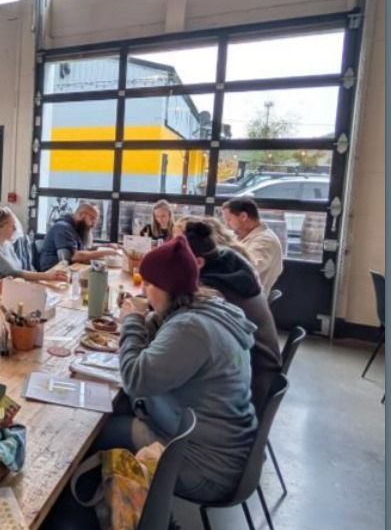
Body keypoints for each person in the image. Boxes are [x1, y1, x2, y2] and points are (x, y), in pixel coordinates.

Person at [109, 235, 258, 507]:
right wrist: (151, 318)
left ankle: (123, 524)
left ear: (168, 288)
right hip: (223, 449)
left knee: (97, 430)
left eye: (150, 285)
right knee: (117, 408)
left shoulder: (191, 330)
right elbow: (167, 334)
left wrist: (132, 321)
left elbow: (134, 379)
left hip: (204, 466)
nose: (144, 292)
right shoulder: (209, 309)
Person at [184, 218, 282, 377]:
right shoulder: (230, 265)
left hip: (253, 377)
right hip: (260, 365)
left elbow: (183, 325)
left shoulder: (214, 288)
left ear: (198, 262)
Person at [0, 205, 66, 287]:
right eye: (12, 226)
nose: (15, 229)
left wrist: (45, 277)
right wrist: (46, 276)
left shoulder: (7, 244)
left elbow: (19, 270)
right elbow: (14, 273)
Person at [222, 198, 285, 298]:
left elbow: (249, 269)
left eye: (229, 220)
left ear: (243, 216)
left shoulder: (265, 241)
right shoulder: (243, 235)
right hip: (238, 293)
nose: (227, 225)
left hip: (246, 299)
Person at [35, 201, 116, 271]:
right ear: (81, 215)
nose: (94, 224)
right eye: (92, 219)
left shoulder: (76, 228)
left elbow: (84, 249)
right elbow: (72, 257)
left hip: (68, 270)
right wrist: (105, 253)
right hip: (51, 273)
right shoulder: (63, 228)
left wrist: (106, 246)